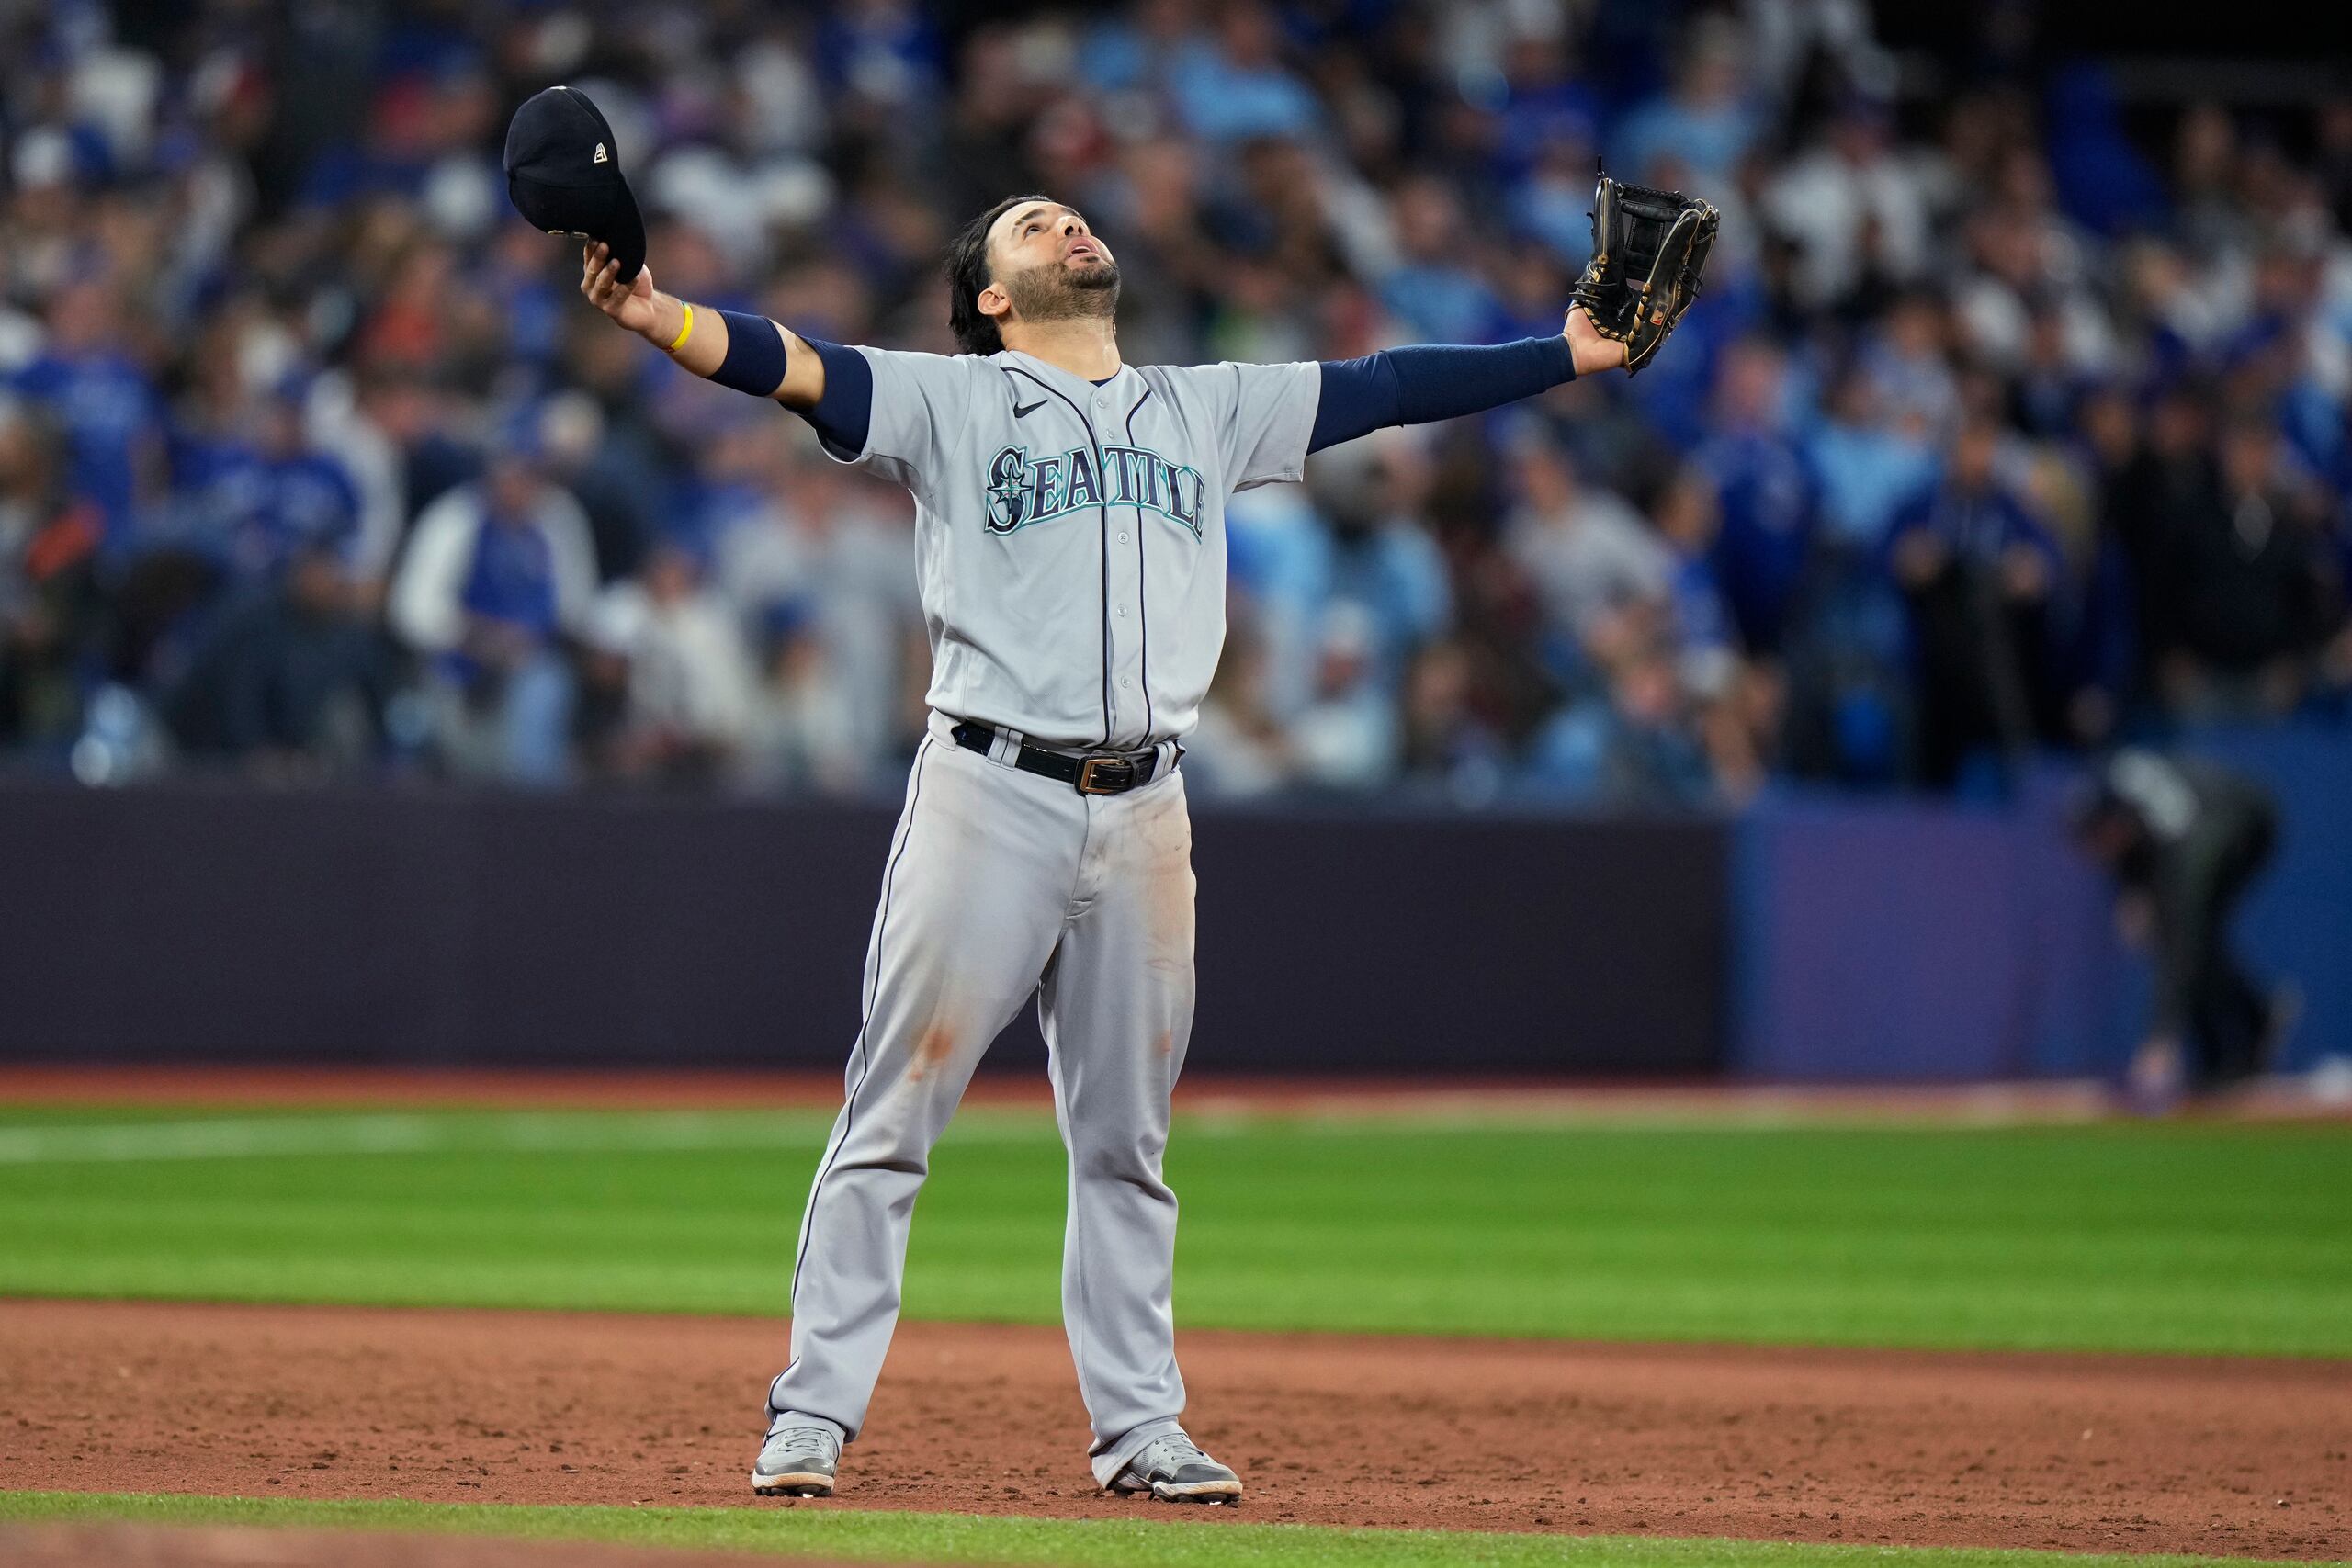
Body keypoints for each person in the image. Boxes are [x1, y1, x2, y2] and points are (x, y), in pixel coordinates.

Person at [577, 191, 1637, 1505]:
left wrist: (1569, 352)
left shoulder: (1202, 405)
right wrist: (648, 311)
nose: (1068, 230)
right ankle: (811, 1414)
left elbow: (1391, 385)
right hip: (988, 788)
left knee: (1127, 1143)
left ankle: (1140, 1428)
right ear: (991, 298)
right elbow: (790, 360)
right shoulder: (952, 401)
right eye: (1032, 227)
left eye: (1073, 218)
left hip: (1148, 809)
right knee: (895, 1111)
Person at [2070, 749, 2289, 1105]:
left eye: (2096, 838)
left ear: (2115, 823)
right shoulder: (2123, 799)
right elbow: (2128, 853)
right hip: (2208, 816)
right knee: (2179, 935)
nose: (2094, 853)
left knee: (2187, 935)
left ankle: (2237, 1036)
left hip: (2239, 822)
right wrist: (2132, 893)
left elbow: (2184, 940)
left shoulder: (2183, 848)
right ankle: (2252, 1021)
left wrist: (2160, 1039)